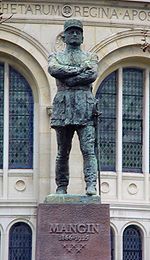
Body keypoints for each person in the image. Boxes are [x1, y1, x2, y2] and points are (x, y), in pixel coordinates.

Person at [48, 19, 99, 195]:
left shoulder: (90, 57)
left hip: (85, 106)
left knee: (88, 149)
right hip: (63, 106)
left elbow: (92, 74)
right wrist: (79, 70)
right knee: (63, 150)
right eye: (71, 32)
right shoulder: (55, 56)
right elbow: (54, 70)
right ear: (65, 36)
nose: (75, 34)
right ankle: (61, 186)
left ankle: (91, 184)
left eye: (78, 32)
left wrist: (69, 77)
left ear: (83, 37)